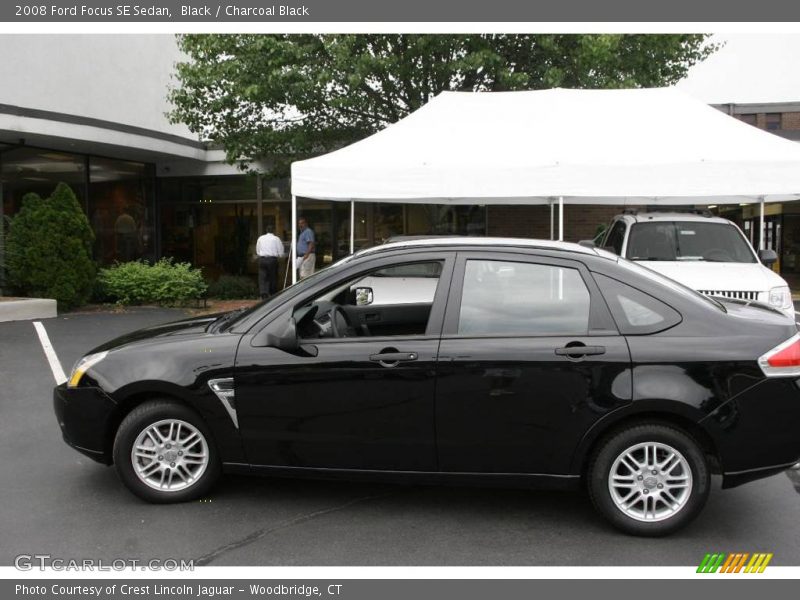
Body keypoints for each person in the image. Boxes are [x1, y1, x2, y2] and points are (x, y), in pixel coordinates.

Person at [255, 226, 284, 299]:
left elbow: (257, 251)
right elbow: (280, 251)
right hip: (272, 260)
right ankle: (273, 293)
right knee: (273, 277)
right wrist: (280, 255)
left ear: (266, 230)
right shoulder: (276, 239)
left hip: (262, 259)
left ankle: (263, 293)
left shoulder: (260, 238)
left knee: (262, 278)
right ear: (273, 231)